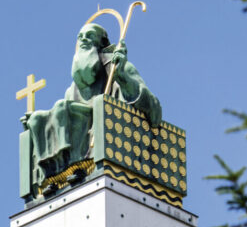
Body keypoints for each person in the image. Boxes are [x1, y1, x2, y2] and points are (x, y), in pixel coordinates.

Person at [23, 23, 162, 183]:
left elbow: (155, 111)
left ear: (101, 43)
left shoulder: (117, 66)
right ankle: (51, 174)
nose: (83, 40)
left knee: (62, 107)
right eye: (80, 37)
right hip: (77, 122)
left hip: (111, 127)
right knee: (37, 118)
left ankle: (77, 165)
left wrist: (123, 78)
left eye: (89, 36)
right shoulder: (73, 89)